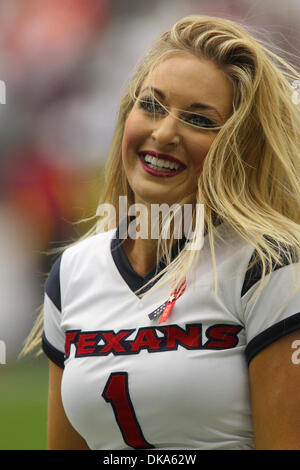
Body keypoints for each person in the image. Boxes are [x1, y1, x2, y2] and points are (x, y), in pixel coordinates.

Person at [22, 15, 300, 450]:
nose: (164, 132)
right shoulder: (74, 271)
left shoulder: (269, 266)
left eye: (199, 120)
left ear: (237, 148)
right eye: (151, 105)